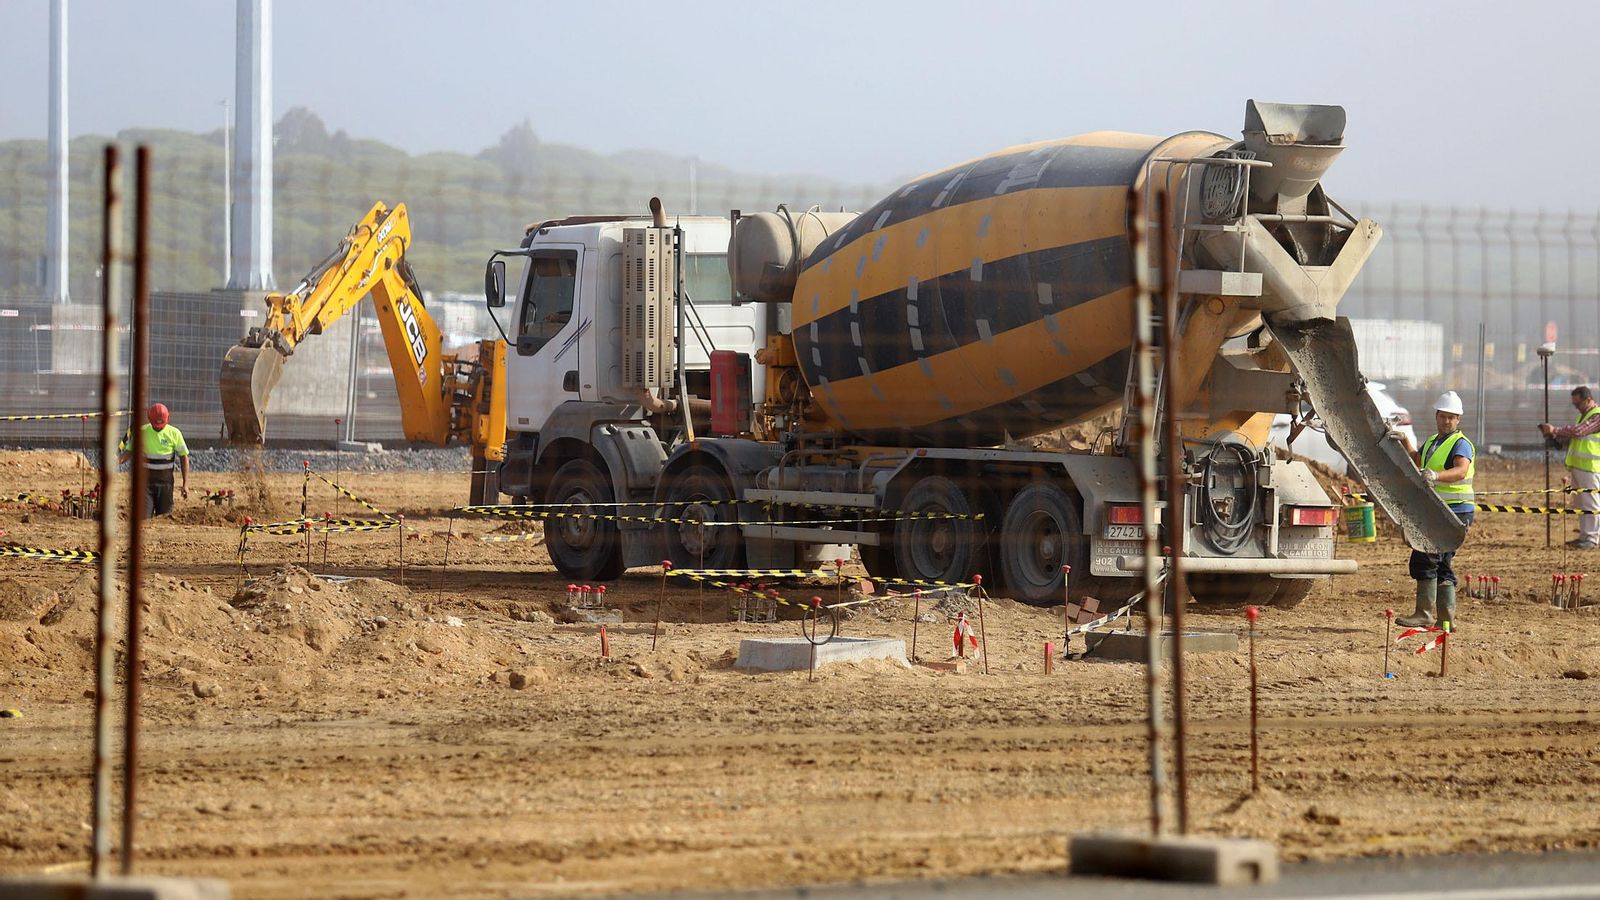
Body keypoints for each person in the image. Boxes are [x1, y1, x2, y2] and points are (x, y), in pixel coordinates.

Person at [1394, 391, 1475, 629]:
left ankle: (1426, 614)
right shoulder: (1432, 442)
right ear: (1436, 416)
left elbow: (1460, 470)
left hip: (1455, 510)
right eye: (1443, 416)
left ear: (1458, 419)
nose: (1446, 421)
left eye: (1451, 417)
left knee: (1429, 557)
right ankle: (1445, 620)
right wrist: (1404, 442)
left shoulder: (1461, 444)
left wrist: (1436, 476)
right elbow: (1419, 462)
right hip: (1436, 509)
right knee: (1438, 561)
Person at [1539, 385, 1600, 549]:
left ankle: (1592, 539)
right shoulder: (1583, 416)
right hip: (1580, 468)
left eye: (1578, 404)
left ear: (1588, 400)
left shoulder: (1597, 416)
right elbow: (1575, 438)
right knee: (1582, 503)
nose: (1577, 407)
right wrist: (1554, 437)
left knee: (1591, 504)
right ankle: (1584, 537)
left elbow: (1579, 431)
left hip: (1591, 468)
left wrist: (1556, 430)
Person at [117, 403, 190, 518]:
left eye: (161, 424)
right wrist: (117, 461)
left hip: (166, 484)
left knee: (165, 518)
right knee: (143, 518)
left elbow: (184, 457)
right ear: (150, 419)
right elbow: (129, 452)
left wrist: (185, 483)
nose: (159, 427)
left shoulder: (175, 433)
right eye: (156, 424)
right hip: (146, 485)